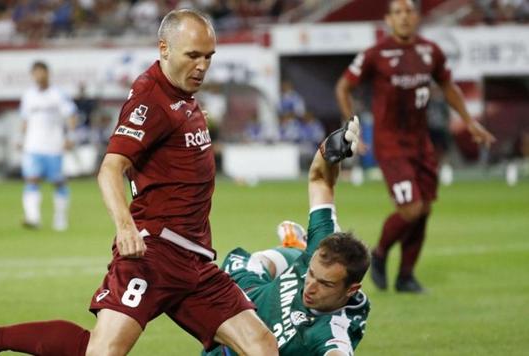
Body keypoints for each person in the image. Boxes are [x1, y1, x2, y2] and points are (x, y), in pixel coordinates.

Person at [0, 9, 278, 356]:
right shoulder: (151, 100)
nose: (203, 66)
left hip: (195, 260)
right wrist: (125, 226)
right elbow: (110, 168)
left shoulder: (181, 97)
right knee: (100, 352)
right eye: (193, 55)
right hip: (153, 253)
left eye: (209, 56)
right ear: (164, 48)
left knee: (262, 345)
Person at [334, 0, 496, 293]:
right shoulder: (376, 54)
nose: (404, 17)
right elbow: (343, 86)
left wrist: (470, 122)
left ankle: (406, 275)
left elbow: (448, 86)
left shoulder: (430, 51)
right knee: (411, 209)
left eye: (409, 11)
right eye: (398, 12)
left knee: (424, 210)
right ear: (388, 19)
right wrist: (351, 127)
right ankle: (380, 253)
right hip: (391, 145)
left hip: (422, 145)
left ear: (417, 17)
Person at [205, 116, 371, 356]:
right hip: (247, 293)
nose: (310, 287)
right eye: (312, 274)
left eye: (325, 283)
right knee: (233, 267)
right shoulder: (325, 244)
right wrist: (327, 151)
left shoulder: (332, 333)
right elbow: (320, 180)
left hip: (232, 345)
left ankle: (294, 250)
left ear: (351, 290)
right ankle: (295, 251)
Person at [19, 60, 77, 231]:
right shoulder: (28, 95)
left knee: (58, 182)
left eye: (41, 72)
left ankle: (60, 218)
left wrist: (70, 136)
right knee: (31, 179)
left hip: (54, 146)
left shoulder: (58, 94)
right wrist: (19, 138)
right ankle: (33, 218)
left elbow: (71, 115)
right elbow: (24, 120)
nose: (38, 75)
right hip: (33, 146)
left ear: (47, 73)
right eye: (35, 72)